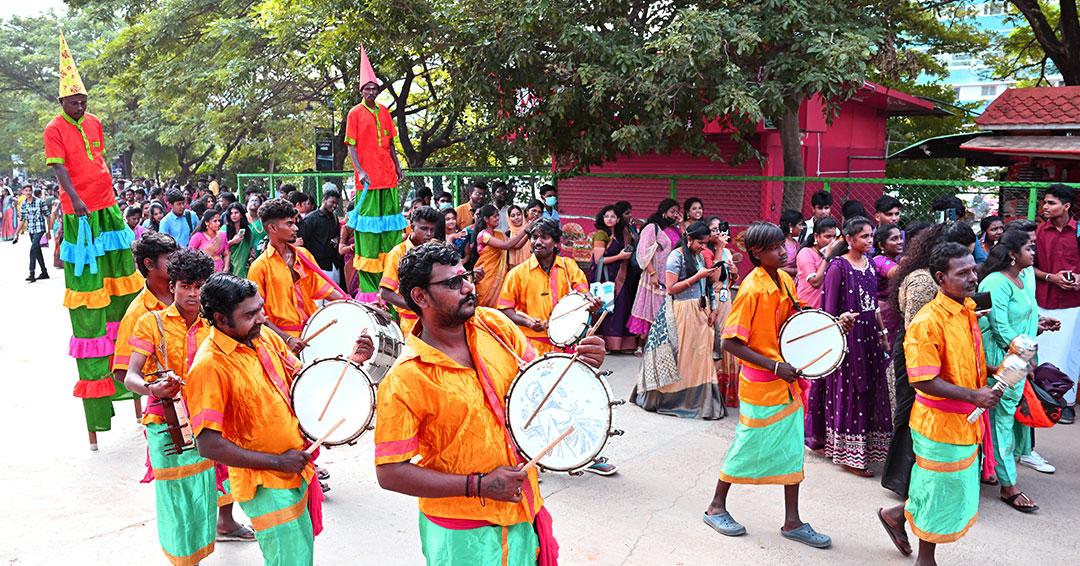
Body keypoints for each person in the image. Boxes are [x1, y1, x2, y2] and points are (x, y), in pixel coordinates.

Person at [375, 242, 604, 565]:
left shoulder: (494, 326)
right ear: (420, 297)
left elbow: (538, 389)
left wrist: (580, 366)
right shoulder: (406, 377)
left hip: (523, 511)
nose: (469, 287)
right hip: (462, 535)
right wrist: (478, 485)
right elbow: (389, 472)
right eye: (453, 283)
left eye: (465, 276)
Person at [185, 273, 374, 565]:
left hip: (296, 469)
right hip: (264, 483)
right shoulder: (209, 365)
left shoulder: (264, 338)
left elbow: (307, 385)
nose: (262, 318)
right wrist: (277, 462)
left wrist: (353, 361)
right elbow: (208, 445)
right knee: (289, 560)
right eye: (250, 314)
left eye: (260, 308)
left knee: (299, 556)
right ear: (221, 319)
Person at [704, 222, 854, 547]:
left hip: (786, 383)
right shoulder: (752, 289)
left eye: (783, 246)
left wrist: (833, 326)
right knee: (746, 446)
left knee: (790, 450)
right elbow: (731, 343)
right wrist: (775, 365)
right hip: (763, 383)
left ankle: (792, 521)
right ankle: (716, 507)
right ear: (757, 254)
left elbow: (797, 321)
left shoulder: (784, 280)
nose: (783, 251)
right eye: (775, 248)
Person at [123, 250, 253, 564]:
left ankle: (206, 544)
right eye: (185, 286)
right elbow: (130, 377)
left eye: (198, 286)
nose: (192, 293)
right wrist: (152, 388)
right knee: (175, 500)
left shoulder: (216, 326)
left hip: (205, 421)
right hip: (163, 422)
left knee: (203, 491)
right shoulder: (150, 322)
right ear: (172, 287)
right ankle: (183, 560)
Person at [45, 32, 143, 447]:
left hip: (108, 206)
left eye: (83, 100)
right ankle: (96, 416)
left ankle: (136, 387)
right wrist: (76, 200)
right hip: (80, 211)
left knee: (123, 280)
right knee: (90, 293)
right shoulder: (54, 128)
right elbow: (61, 172)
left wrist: (108, 198)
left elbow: (99, 160)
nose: (80, 105)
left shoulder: (95, 123)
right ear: (62, 103)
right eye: (73, 101)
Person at [877, 242, 1002, 564]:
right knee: (938, 490)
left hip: (966, 422)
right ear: (940, 278)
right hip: (938, 424)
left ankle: (896, 515)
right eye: (963, 273)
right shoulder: (927, 322)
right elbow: (922, 379)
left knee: (940, 486)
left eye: (974, 269)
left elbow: (964, 365)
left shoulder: (967, 311)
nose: (973, 277)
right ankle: (926, 560)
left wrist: (995, 371)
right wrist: (974, 395)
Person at [880, 222, 978, 497]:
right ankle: (904, 485)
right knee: (912, 421)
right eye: (963, 269)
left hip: (926, 355)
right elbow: (918, 331)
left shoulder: (960, 300)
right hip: (919, 356)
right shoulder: (925, 284)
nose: (972, 276)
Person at [806, 217, 891, 477]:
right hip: (846, 340)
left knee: (870, 389)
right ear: (850, 240)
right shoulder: (837, 267)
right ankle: (847, 455)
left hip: (869, 338)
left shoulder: (869, 266)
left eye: (871, 236)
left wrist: (883, 333)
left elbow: (873, 305)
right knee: (849, 391)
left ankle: (863, 448)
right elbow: (828, 309)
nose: (869, 241)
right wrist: (837, 330)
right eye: (864, 236)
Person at [977, 229, 1055, 512]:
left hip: (1019, 357)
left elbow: (1021, 320)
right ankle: (1008, 485)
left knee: (1005, 418)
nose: (1033, 253)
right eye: (1029, 249)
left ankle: (991, 470)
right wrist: (1024, 360)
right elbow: (1000, 329)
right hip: (1004, 360)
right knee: (1001, 421)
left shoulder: (1021, 279)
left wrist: (1038, 327)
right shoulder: (997, 283)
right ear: (1012, 254)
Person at [633, 221, 724, 419]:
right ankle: (675, 400)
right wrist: (696, 277)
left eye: (706, 243)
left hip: (701, 311)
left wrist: (714, 310)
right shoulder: (676, 257)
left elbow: (709, 284)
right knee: (682, 357)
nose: (703, 246)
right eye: (700, 242)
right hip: (682, 312)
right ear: (689, 239)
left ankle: (702, 402)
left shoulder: (698, 257)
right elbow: (671, 289)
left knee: (701, 357)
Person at [344, 47, 407, 303]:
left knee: (390, 228)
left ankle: (392, 271)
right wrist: (359, 170)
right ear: (361, 91)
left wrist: (398, 165)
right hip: (368, 178)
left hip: (388, 175)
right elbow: (350, 144)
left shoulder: (384, 112)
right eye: (367, 88)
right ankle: (372, 290)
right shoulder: (354, 113)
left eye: (374, 87)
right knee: (369, 232)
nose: (371, 91)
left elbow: (391, 143)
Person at [248, 198, 348, 352]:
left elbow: (326, 290)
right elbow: (257, 314)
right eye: (289, 224)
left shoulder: (304, 255)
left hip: (313, 334)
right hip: (279, 344)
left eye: (295, 223)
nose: (295, 228)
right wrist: (286, 339)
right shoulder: (259, 267)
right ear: (273, 228)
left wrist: (363, 307)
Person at [498, 217, 602, 356]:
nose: (538, 242)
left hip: (567, 342)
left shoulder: (568, 266)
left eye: (545, 237)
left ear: (555, 242)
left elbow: (582, 292)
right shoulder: (516, 274)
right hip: (531, 347)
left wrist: (591, 302)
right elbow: (505, 310)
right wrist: (528, 323)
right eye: (534, 237)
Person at [1031, 184, 1080, 424]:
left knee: (1070, 352)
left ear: (1066, 206)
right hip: (1042, 299)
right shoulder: (1039, 233)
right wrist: (1051, 277)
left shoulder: (1079, 231)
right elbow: (1028, 265)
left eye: (1051, 203)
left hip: (1074, 302)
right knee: (1040, 350)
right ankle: (1040, 398)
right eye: (1045, 203)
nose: (1045, 207)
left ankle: (1066, 403)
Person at [112, 232, 179, 395]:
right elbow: (122, 372)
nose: (177, 264)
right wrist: (157, 387)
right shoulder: (137, 313)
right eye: (170, 260)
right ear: (149, 264)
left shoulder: (185, 294)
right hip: (167, 405)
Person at [380, 205, 440, 336]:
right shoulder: (398, 253)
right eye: (424, 229)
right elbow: (385, 292)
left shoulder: (437, 248)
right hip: (411, 322)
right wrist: (418, 307)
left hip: (438, 318)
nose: (429, 234)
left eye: (432, 230)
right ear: (412, 227)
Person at [628, 199, 681, 337]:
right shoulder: (652, 228)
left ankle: (661, 342)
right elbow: (643, 252)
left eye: (677, 212)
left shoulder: (675, 229)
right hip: (655, 276)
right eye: (672, 212)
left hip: (671, 276)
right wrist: (652, 273)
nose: (675, 215)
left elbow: (686, 245)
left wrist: (681, 223)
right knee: (652, 308)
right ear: (663, 212)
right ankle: (643, 344)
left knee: (666, 310)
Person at [590, 205, 636, 351]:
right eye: (606, 216)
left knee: (620, 308)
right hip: (604, 277)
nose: (609, 219)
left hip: (619, 275)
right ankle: (602, 343)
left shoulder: (621, 234)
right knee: (604, 307)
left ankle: (618, 345)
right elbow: (599, 260)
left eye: (613, 216)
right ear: (602, 218)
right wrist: (620, 257)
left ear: (618, 219)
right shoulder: (601, 235)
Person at [473, 204, 532, 307]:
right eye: (495, 216)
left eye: (498, 216)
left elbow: (517, 245)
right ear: (486, 219)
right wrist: (525, 229)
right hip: (486, 277)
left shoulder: (500, 234)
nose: (498, 219)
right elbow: (506, 245)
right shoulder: (483, 235)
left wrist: (529, 231)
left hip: (499, 277)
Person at [298, 188, 344, 285]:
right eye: (332, 202)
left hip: (334, 264)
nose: (335, 206)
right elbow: (304, 242)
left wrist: (336, 239)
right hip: (319, 266)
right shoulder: (310, 219)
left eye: (336, 203)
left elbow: (338, 234)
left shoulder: (334, 217)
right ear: (324, 200)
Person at [795, 217, 840, 309]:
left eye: (834, 236)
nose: (832, 241)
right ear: (816, 236)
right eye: (828, 237)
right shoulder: (806, 253)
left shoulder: (832, 254)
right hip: (808, 306)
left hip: (826, 306)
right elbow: (815, 282)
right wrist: (827, 257)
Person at [872, 223, 904, 352]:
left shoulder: (894, 259)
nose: (900, 242)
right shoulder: (880, 261)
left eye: (900, 238)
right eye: (894, 239)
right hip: (883, 313)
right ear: (881, 245)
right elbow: (898, 274)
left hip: (891, 312)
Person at [12, 186, 52, 282]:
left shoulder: (40, 202)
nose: (28, 192)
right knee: (37, 251)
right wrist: (16, 233)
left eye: (29, 190)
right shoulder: (24, 204)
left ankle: (31, 274)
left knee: (33, 250)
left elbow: (48, 216)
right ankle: (44, 272)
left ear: (32, 191)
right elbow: (22, 220)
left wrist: (48, 232)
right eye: (26, 191)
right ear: (23, 192)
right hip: (31, 230)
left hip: (40, 228)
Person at [188, 209, 229, 273]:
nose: (218, 223)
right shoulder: (197, 236)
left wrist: (226, 268)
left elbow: (226, 254)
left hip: (219, 269)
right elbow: (190, 255)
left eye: (219, 221)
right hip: (203, 269)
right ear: (206, 222)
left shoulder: (222, 235)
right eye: (215, 221)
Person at [223, 203, 253, 277]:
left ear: (241, 214)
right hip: (229, 267)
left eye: (236, 213)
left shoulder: (249, 231)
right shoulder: (224, 229)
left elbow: (249, 247)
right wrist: (233, 242)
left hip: (243, 269)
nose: (233, 215)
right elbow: (219, 248)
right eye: (231, 213)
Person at [779, 209, 804, 278]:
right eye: (800, 225)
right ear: (790, 225)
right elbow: (775, 267)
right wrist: (795, 271)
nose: (802, 228)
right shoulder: (780, 243)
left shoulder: (796, 244)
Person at [506, 205, 531, 269]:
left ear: (522, 215)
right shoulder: (507, 234)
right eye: (513, 216)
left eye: (518, 214)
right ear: (509, 218)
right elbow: (517, 246)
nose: (516, 217)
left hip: (529, 267)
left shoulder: (531, 231)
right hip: (513, 269)